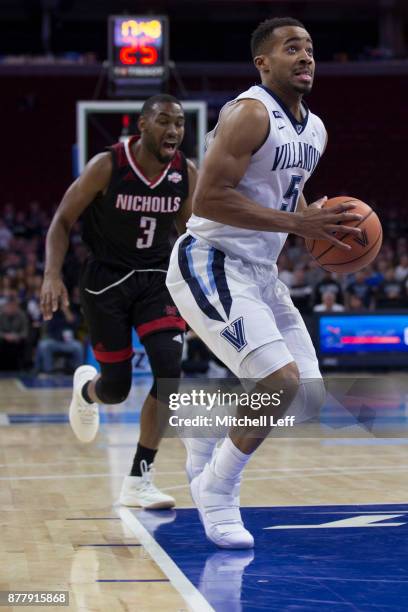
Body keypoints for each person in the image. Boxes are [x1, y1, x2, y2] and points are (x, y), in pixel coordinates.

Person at [166, 17, 363, 548]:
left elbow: (281, 190)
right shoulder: (249, 113)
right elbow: (207, 199)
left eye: (310, 49)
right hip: (211, 259)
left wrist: (315, 220)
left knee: (308, 399)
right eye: (291, 48)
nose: (305, 57)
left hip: (261, 272)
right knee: (280, 382)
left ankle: (204, 422)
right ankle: (217, 490)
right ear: (263, 63)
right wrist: (300, 225)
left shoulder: (315, 129)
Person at [41, 94, 197, 509]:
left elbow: (192, 236)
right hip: (105, 282)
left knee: (169, 374)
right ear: (142, 126)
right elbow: (60, 221)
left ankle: (139, 479)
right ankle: (87, 392)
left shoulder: (186, 173)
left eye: (179, 124)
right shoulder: (107, 165)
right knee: (116, 389)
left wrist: (199, 295)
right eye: (165, 121)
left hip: (157, 280)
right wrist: (52, 274)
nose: (174, 131)